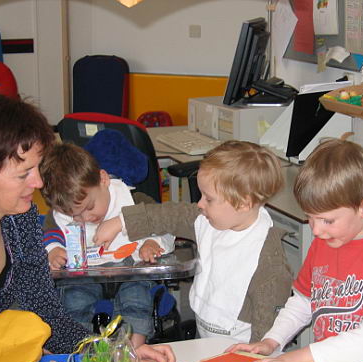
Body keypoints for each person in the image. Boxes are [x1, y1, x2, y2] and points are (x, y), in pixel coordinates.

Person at [0, 94, 175, 362]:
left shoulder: (20, 220)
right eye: (24, 174)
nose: (38, 182)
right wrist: (20, 354)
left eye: (37, 168)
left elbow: (49, 317)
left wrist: (113, 353)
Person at [229, 138, 363, 362]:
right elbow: (303, 302)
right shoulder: (326, 241)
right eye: (310, 217)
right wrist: (272, 340)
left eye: (327, 220)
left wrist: (306, 355)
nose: (316, 230)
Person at [93, 141, 293, 343]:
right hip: (205, 333)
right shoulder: (207, 219)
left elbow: (267, 324)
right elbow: (169, 215)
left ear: (243, 203)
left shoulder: (266, 257)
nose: (200, 203)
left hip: (242, 346)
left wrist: (257, 357)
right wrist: (121, 222)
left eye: (209, 199)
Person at [40, 142, 175, 347]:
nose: (85, 218)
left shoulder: (135, 201)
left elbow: (167, 227)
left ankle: (135, 347)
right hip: (85, 275)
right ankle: (80, 347)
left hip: (130, 272)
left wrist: (151, 242)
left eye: (90, 207)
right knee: (73, 299)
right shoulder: (63, 212)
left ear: (103, 179)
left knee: (136, 297)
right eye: (75, 216)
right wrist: (54, 249)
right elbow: (49, 231)